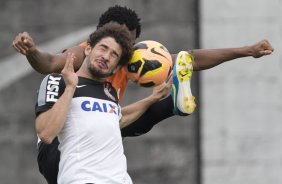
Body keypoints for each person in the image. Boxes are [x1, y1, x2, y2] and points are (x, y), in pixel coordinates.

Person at [12, 5, 274, 184]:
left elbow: (189, 59)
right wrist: (32, 51)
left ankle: (173, 102)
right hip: (58, 149)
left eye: (122, 48)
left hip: (103, 129)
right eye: (108, 44)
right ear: (94, 42)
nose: (113, 53)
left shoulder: (133, 59)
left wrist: (244, 50)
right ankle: (172, 103)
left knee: (138, 112)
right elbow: (48, 64)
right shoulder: (86, 55)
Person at [35, 22, 171, 184]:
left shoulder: (110, 92)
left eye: (114, 55)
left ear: (116, 69)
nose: (106, 56)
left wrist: (153, 98)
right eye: (103, 48)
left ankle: (174, 105)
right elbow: (46, 133)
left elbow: (119, 120)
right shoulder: (58, 81)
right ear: (88, 49)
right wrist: (71, 87)